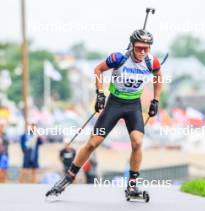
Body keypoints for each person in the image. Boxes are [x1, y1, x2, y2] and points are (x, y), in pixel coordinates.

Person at [47, 29, 162, 196]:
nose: (143, 51)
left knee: (137, 142)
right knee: (93, 143)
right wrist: (99, 93)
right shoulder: (119, 58)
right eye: (139, 48)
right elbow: (98, 69)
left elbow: (159, 77)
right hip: (114, 104)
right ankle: (69, 177)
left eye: (147, 48)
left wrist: (156, 100)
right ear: (132, 46)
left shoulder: (152, 62)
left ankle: (132, 185)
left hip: (133, 106)